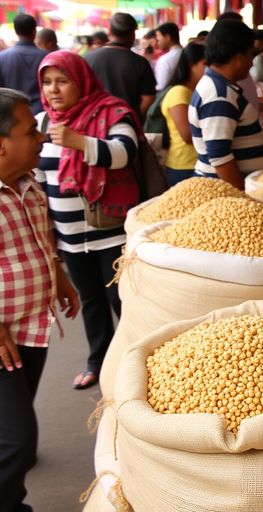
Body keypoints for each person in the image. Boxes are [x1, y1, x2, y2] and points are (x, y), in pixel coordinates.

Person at [35, 50, 141, 390]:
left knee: (122, 299)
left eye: (62, 81)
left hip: (110, 233)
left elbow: (126, 153)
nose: (54, 89)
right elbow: (36, 178)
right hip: (67, 235)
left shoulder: (111, 112)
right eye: (47, 82)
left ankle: (135, 360)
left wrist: (78, 142)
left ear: (80, 80)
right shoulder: (40, 123)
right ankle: (98, 360)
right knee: (91, 300)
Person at [0, 88, 79, 512]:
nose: (41, 138)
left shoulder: (29, 185)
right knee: (17, 439)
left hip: (30, 325)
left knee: (11, 427)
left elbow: (42, 240)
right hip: (3, 336)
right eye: (31, 131)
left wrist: (60, 276)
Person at [189, 19, 263, 190]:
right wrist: (240, 198)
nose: (252, 62)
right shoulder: (219, 96)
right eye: (250, 54)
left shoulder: (219, 87)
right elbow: (220, 156)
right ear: (238, 57)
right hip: (221, 193)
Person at [85, 13, 157, 119]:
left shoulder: (88, 59)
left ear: (109, 31)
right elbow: (148, 98)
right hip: (128, 125)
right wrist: (134, 118)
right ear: (133, 34)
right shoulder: (141, 63)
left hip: (94, 124)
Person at [159, 43, 204, 186]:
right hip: (184, 165)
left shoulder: (192, 91)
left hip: (192, 163)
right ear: (192, 65)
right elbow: (187, 135)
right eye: (205, 64)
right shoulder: (179, 92)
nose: (209, 69)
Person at [0, 15, 49, 115]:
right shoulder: (47, 57)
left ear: (16, 31)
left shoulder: (2, 57)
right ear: (34, 32)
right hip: (43, 113)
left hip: (12, 115)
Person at [154, 22, 183, 91]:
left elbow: (161, 86)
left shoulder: (165, 60)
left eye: (158, 40)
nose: (157, 43)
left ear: (167, 37)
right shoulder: (187, 53)